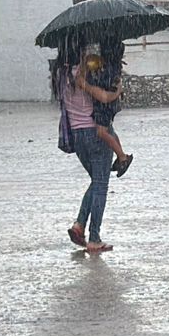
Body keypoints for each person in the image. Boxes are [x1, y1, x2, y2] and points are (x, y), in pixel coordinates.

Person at [52, 44, 117, 252]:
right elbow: (104, 97)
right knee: (100, 185)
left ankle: (79, 225)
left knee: (96, 182)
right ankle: (94, 238)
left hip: (78, 136)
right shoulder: (85, 75)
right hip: (95, 133)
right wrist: (117, 87)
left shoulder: (62, 76)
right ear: (79, 54)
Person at [84, 39, 133, 177]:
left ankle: (122, 157)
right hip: (109, 105)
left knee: (101, 132)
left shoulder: (108, 68)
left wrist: (91, 79)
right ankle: (120, 156)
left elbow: (103, 83)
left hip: (104, 105)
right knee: (109, 130)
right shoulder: (114, 66)